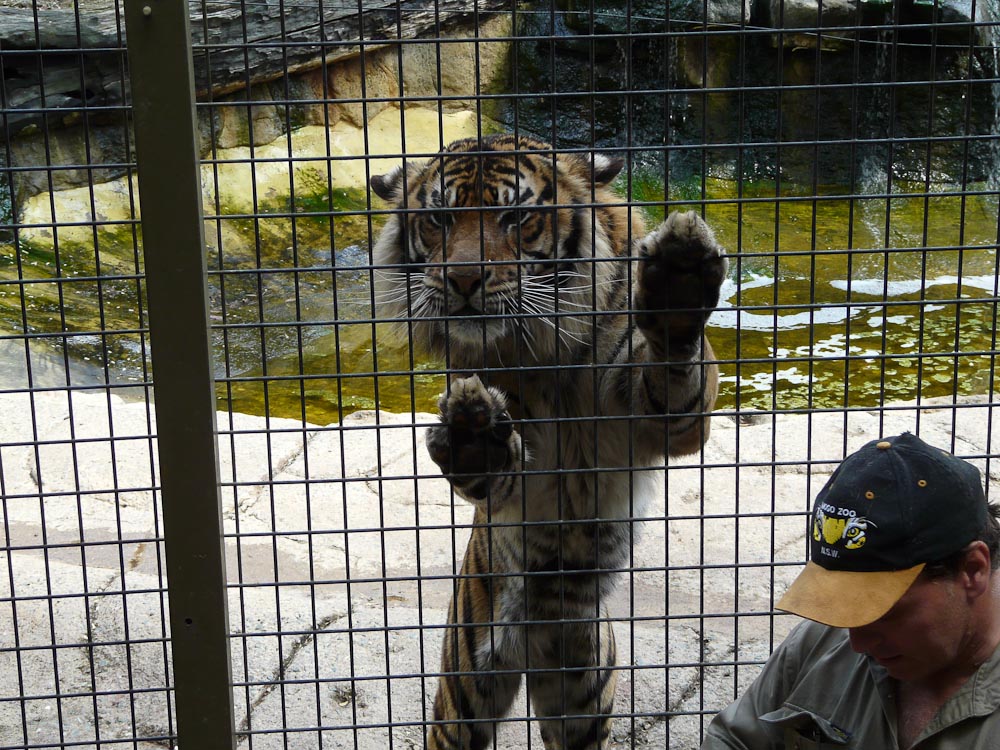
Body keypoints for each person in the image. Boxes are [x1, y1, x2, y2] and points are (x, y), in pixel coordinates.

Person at [701, 432, 1000, 749]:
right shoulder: (821, 641)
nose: (857, 642)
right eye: (845, 604)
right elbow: (733, 741)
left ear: (972, 570)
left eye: (881, 609)